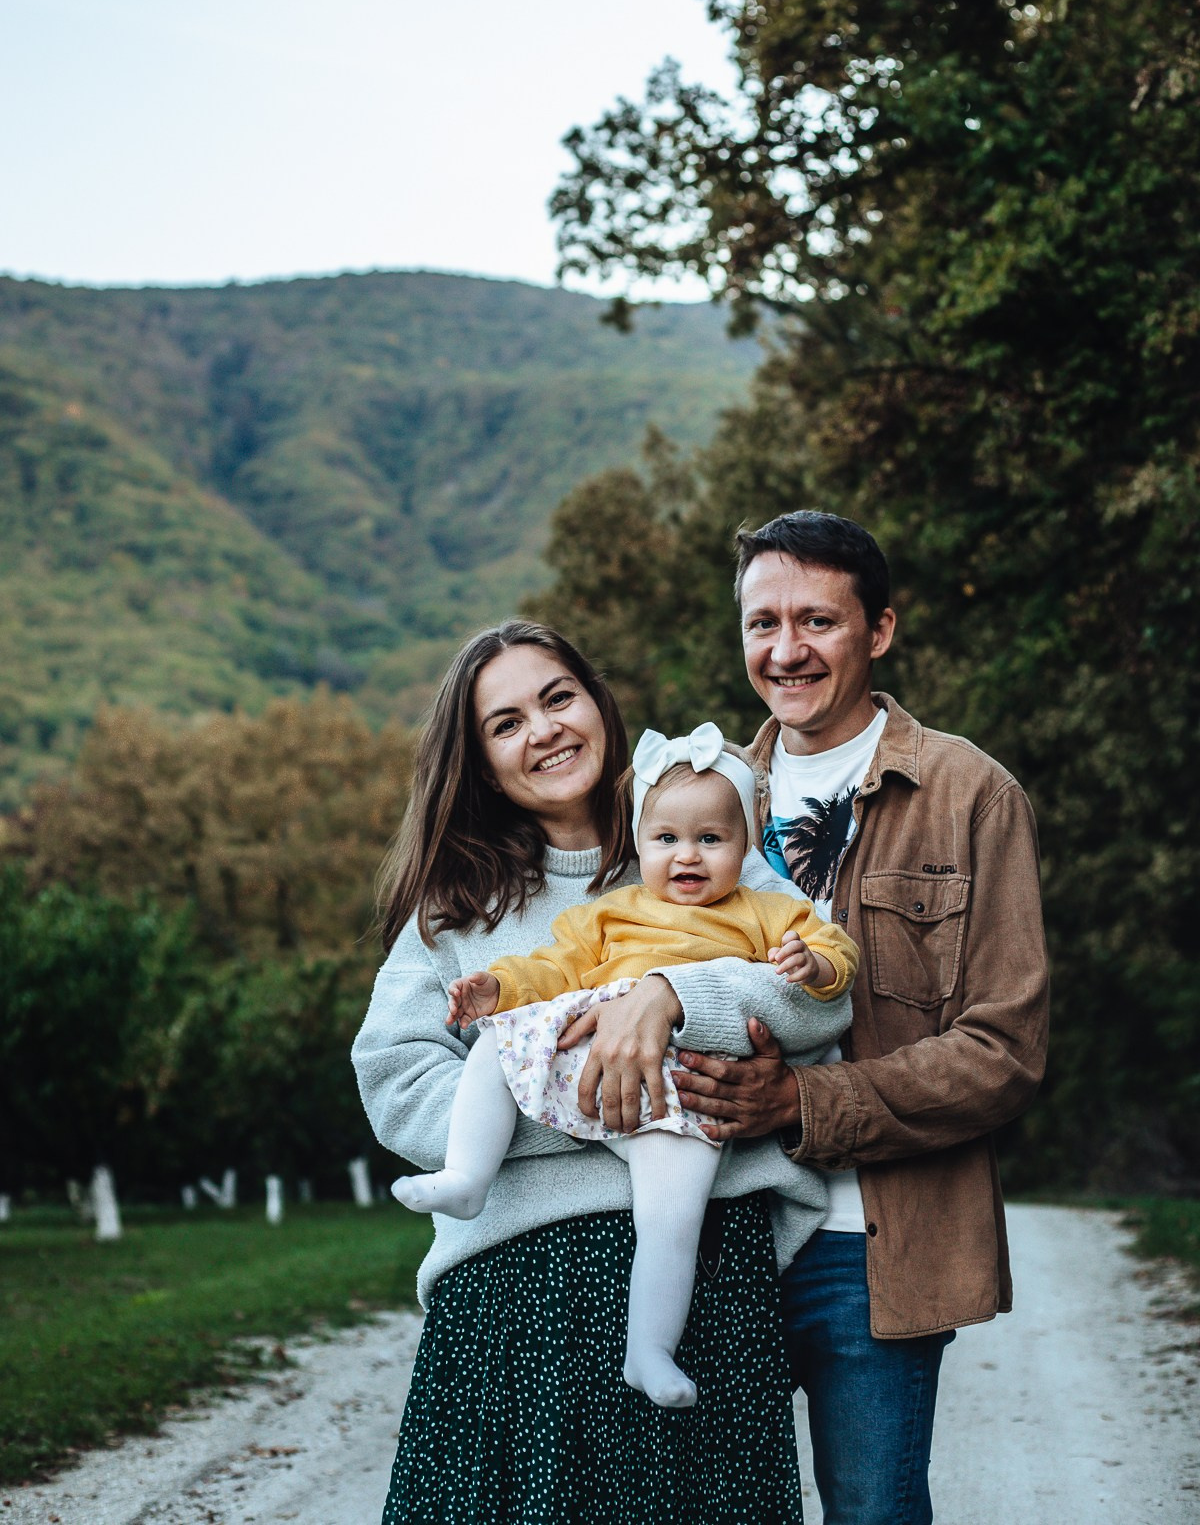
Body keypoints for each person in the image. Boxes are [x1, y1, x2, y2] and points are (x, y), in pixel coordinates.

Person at [569, 512, 1050, 1525]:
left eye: (816, 622)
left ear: (878, 631)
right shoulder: (692, 793)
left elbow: (1005, 1052)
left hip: (870, 1245)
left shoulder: (971, 794)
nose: (784, 651)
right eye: (761, 624)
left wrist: (803, 1101)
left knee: (872, 1510)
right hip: (712, 1230)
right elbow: (601, 954)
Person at [352, 619, 853, 1525]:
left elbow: (813, 996)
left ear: (598, 703)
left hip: (701, 1279)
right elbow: (394, 1074)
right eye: (505, 724)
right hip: (514, 1292)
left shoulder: (696, 840)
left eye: (556, 698)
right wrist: (589, 1110)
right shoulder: (455, 904)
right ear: (479, 759)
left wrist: (671, 995)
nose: (541, 731)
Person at [392, 720, 859, 1409]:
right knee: (499, 1043)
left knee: (673, 1216)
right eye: (667, 839)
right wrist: (499, 988)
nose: (688, 857)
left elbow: (835, 957)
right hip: (591, 1054)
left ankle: (649, 1349)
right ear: (640, 844)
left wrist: (811, 963)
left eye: (711, 839)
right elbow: (552, 968)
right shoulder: (611, 913)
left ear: (745, 844)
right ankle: (467, 1175)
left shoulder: (766, 911)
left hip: (682, 1088)